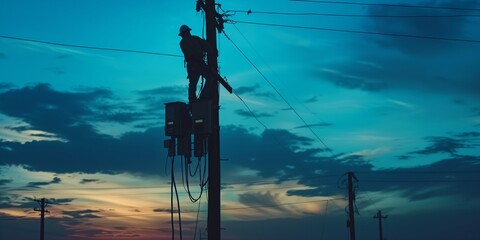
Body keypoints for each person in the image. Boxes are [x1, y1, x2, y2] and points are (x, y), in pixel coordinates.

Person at [178, 24, 217, 103]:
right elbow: (207, 47)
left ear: (182, 34)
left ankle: (193, 101)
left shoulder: (183, 42)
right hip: (198, 63)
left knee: (192, 85)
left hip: (192, 65)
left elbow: (191, 52)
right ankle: (203, 96)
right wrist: (212, 51)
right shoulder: (195, 39)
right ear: (188, 32)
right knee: (210, 78)